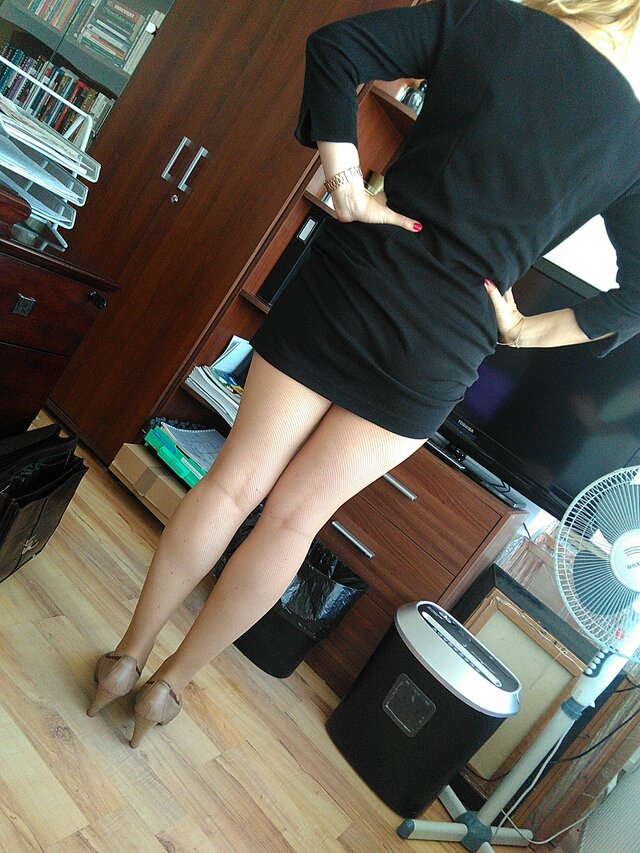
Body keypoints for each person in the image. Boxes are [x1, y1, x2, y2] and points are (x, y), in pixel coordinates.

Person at [87, 0, 640, 747]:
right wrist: (525, 329)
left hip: (356, 278)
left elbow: (337, 47)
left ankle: (125, 659)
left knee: (234, 482)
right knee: (294, 518)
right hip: (445, 341)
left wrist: (345, 181)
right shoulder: (631, 135)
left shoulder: (483, 21)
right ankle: (168, 687)